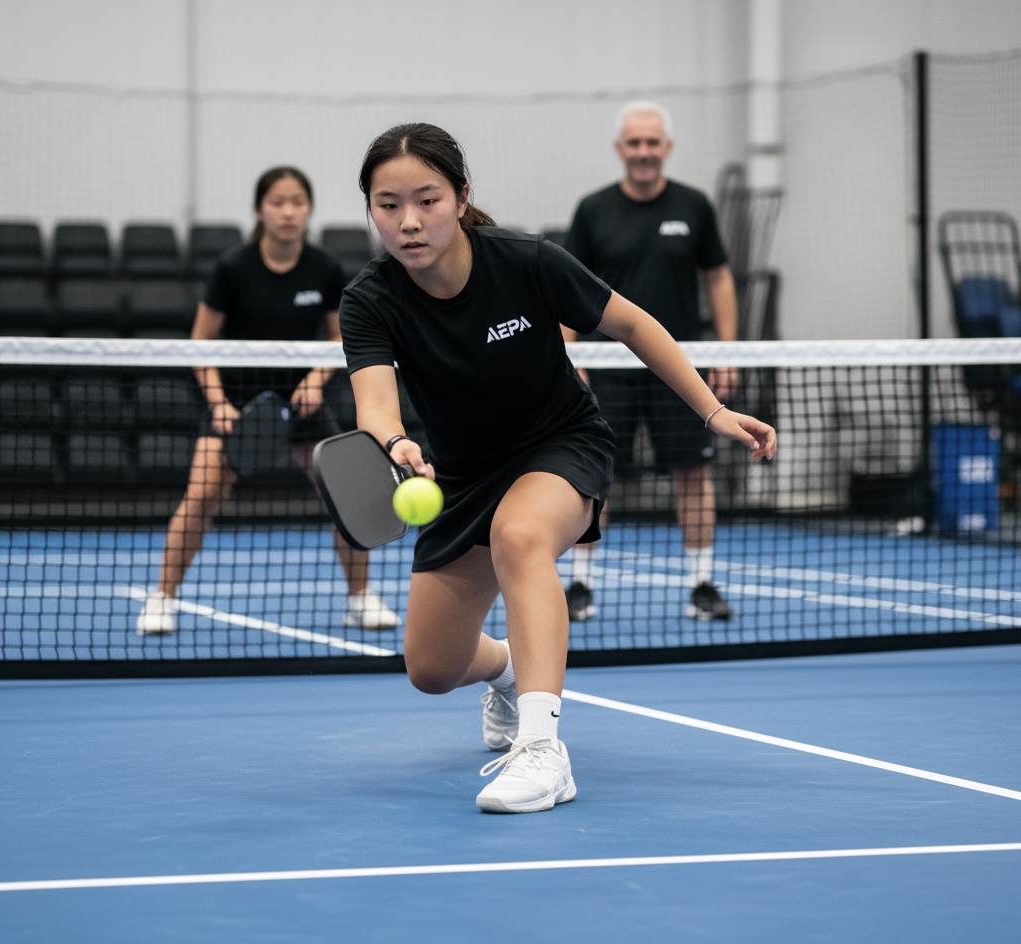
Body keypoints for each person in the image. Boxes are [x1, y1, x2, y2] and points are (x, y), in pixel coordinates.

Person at [340, 123, 775, 814]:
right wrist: (395, 446)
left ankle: (543, 751)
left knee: (521, 536)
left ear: (460, 197)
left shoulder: (526, 262)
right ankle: (511, 672)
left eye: (426, 199)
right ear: (370, 209)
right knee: (430, 668)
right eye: (387, 204)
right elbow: (376, 404)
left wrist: (711, 411)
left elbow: (634, 324)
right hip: (460, 472)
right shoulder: (370, 298)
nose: (409, 221)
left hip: (560, 443)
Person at [136, 166, 399, 635]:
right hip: (236, 404)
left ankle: (360, 598)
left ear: (309, 209)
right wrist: (218, 404)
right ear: (261, 209)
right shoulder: (233, 269)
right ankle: (162, 598)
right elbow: (200, 345)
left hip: (304, 405)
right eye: (278, 201)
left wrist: (318, 379)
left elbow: (341, 341)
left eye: (297, 201)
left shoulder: (324, 267)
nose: (288, 211)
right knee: (201, 497)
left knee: (350, 498)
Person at [561, 100, 740, 623]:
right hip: (608, 368)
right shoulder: (593, 211)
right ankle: (580, 585)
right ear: (621, 150)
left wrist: (729, 352)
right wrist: (568, 351)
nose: (643, 152)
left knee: (692, 472)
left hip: (678, 366)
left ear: (666, 149)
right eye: (634, 143)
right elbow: (567, 286)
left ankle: (703, 583)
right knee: (595, 474)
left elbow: (719, 278)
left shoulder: (695, 206)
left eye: (652, 143)